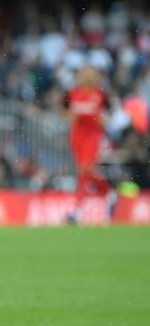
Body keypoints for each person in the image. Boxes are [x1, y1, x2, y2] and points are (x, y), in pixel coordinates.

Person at [64, 65, 117, 223]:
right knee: (84, 171)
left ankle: (77, 210)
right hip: (77, 136)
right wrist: (73, 115)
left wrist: (100, 118)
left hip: (93, 135)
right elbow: (69, 116)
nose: (87, 78)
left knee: (85, 169)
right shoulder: (73, 94)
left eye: (90, 75)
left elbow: (106, 116)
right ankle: (108, 193)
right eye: (84, 74)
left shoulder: (100, 94)